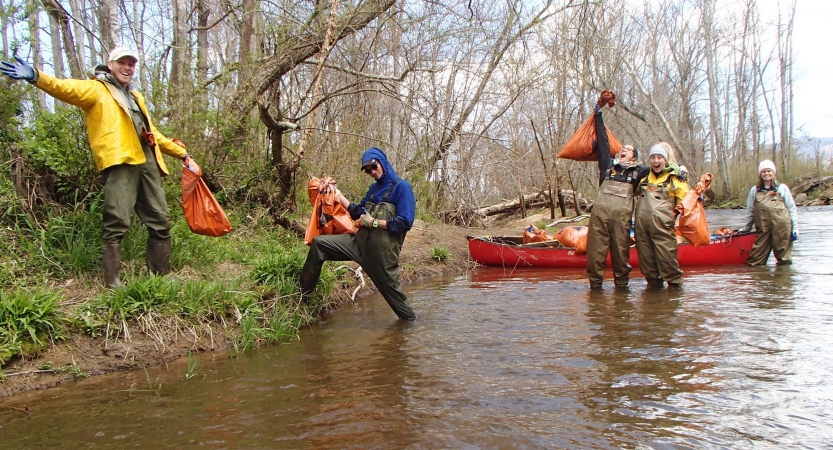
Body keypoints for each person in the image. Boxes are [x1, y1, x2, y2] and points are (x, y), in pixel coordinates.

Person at [1, 48, 190, 287]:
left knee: (161, 220)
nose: (127, 67)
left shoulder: (136, 97)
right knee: (117, 221)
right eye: (122, 62)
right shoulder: (96, 89)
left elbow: (153, 134)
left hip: (148, 164)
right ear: (110, 64)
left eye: (131, 64)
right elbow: (64, 88)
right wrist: (36, 76)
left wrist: (182, 154)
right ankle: (113, 283)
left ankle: (161, 276)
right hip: (120, 161)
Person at [299, 147, 417, 320]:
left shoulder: (402, 187)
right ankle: (302, 299)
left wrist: (374, 222)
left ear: (382, 162)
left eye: (374, 167)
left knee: (405, 314)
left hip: (381, 258)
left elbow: (405, 223)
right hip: (358, 245)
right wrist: (337, 195)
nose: (372, 172)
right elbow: (358, 211)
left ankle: (412, 332)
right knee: (319, 244)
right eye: (367, 170)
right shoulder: (373, 188)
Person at [586, 99, 650, 289]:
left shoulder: (639, 172)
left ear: (635, 157)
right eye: (623, 148)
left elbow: (659, 167)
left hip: (621, 222)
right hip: (599, 218)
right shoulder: (607, 166)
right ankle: (595, 289)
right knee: (595, 254)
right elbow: (604, 143)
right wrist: (598, 113)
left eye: (629, 150)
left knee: (621, 255)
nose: (623, 150)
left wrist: (676, 167)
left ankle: (622, 290)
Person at [633, 142, 689, 288]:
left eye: (659, 157)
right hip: (642, 229)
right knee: (648, 267)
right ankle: (654, 303)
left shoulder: (676, 178)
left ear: (665, 160)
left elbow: (686, 204)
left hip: (663, 228)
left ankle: (675, 298)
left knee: (668, 263)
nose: (656, 161)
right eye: (653, 157)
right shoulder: (644, 177)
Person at [741, 159, 798, 266]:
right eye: (764, 171)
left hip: (782, 228)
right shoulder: (754, 190)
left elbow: (791, 208)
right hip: (763, 229)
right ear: (760, 174)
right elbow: (750, 211)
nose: (766, 173)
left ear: (773, 173)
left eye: (769, 171)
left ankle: (782, 280)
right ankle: (759, 281)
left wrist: (795, 228)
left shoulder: (782, 188)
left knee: (784, 260)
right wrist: (746, 228)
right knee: (755, 261)